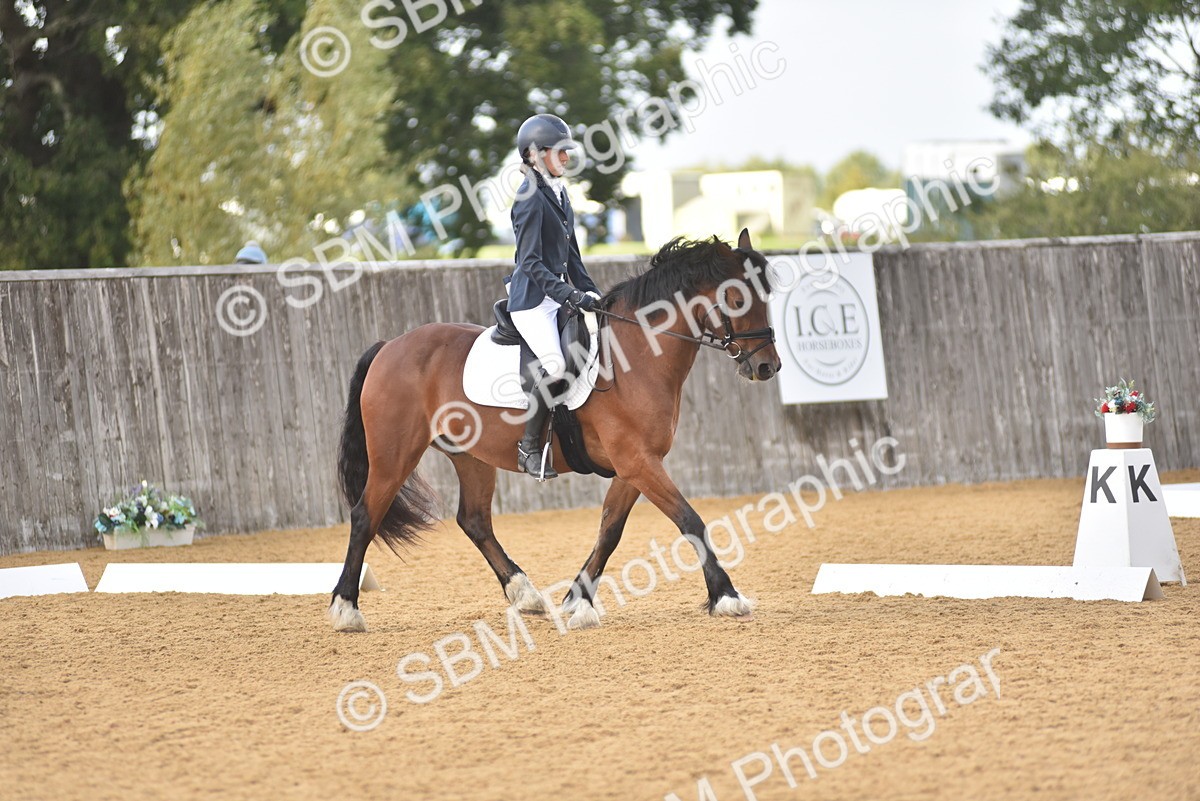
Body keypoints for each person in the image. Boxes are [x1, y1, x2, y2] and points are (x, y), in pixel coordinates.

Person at [508, 113, 602, 480]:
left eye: (567, 152)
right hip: (532, 301)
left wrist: (592, 292)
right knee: (557, 366)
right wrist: (570, 295)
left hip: (557, 296)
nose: (566, 159)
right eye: (560, 153)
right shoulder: (529, 198)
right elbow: (529, 263)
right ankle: (528, 449)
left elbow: (572, 258)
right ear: (536, 155)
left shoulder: (559, 193)